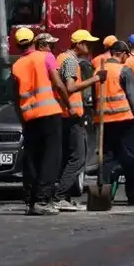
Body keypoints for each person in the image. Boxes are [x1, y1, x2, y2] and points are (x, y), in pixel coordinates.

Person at [11, 28, 72, 215]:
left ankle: (30, 199)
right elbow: (58, 83)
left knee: (32, 158)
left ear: (17, 44)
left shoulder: (17, 65)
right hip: (49, 113)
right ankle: (43, 200)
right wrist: (68, 104)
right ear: (33, 41)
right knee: (51, 157)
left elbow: (16, 97)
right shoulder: (45, 57)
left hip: (29, 117)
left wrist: (22, 118)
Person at [52, 29, 106, 212]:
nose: (90, 47)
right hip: (70, 115)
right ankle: (59, 196)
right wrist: (96, 79)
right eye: (87, 43)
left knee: (68, 156)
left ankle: (62, 196)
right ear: (78, 44)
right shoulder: (69, 61)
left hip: (65, 114)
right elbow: (71, 86)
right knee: (78, 157)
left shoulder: (63, 58)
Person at [93, 41, 134, 204]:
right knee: (130, 158)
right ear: (123, 54)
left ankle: (102, 193)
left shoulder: (99, 70)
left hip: (105, 121)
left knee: (107, 158)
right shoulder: (124, 70)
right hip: (124, 120)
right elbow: (133, 98)